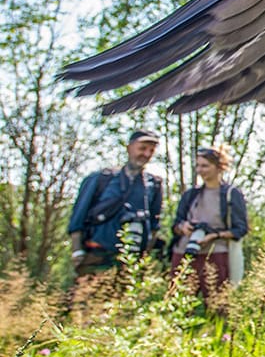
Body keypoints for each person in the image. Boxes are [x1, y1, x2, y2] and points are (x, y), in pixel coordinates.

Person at [68, 129, 164, 275]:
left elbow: (154, 225)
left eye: (151, 150)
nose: (146, 154)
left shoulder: (154, 185)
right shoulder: (100, 179)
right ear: (129, 148)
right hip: (96, 257)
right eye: (142, 148)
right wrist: (77, 252)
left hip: (130, 262)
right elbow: (78, 219)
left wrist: (143, 259)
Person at [168, 145, 249, 305]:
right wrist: (183, 227)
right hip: (185, 253)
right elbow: (176, 224)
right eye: (198, 166)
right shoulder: (190, 194)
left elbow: (241, 229)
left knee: (217, 306)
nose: (200, 170)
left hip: (216, 254)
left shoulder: (231, 194)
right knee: (178, 304)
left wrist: (214, 235)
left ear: (219, 167)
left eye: (205, 166)